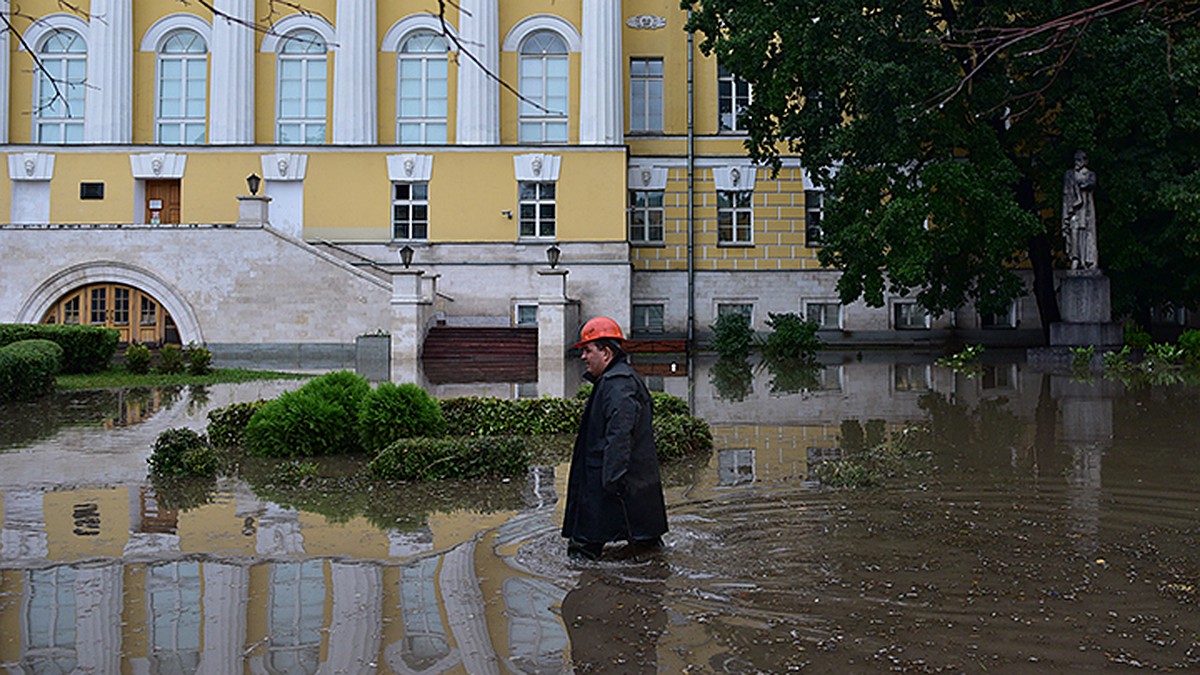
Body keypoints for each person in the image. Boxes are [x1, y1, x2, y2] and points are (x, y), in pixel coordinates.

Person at [562, 316, 668, 560]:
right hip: (624, 483)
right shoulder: (614, 380)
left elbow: (620, 435)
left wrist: (612, 479)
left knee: (582, 550)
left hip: (613, 483)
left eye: (588, 350)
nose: (583, 357)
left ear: (606, 353)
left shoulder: (618, 384)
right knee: (645, 543)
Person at [1062, 150, 1098, 270]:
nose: (1077, 162)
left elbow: (1090, 183)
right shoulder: (1069, 174)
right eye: (1075, 160)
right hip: (1073, 209)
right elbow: (1066, 191)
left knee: (1084, 232)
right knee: (1073, 231)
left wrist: (1082, 184)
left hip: (1085, 210)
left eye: (1080, 160)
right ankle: (1075, 258)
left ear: (1085, 161)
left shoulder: (1090, 174)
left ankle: (1085, 260)